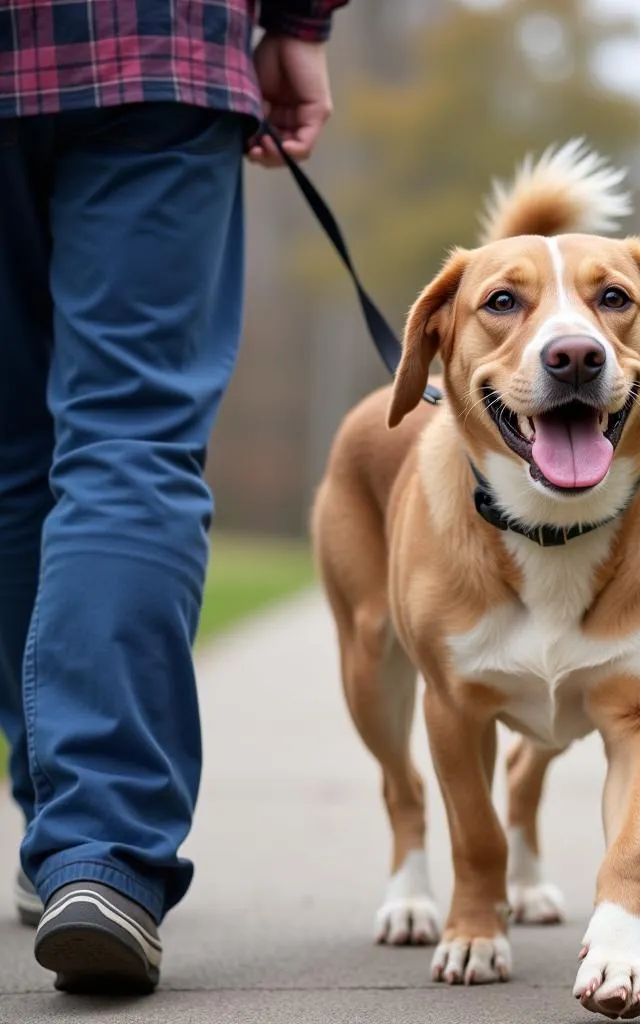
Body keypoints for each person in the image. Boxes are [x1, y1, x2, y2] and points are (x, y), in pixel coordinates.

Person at [0, 0, 348, 995]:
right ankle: (98, 846)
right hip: (149, 42)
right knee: (127, 435)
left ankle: (54, 816)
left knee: (13, 458)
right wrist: (299, 22)